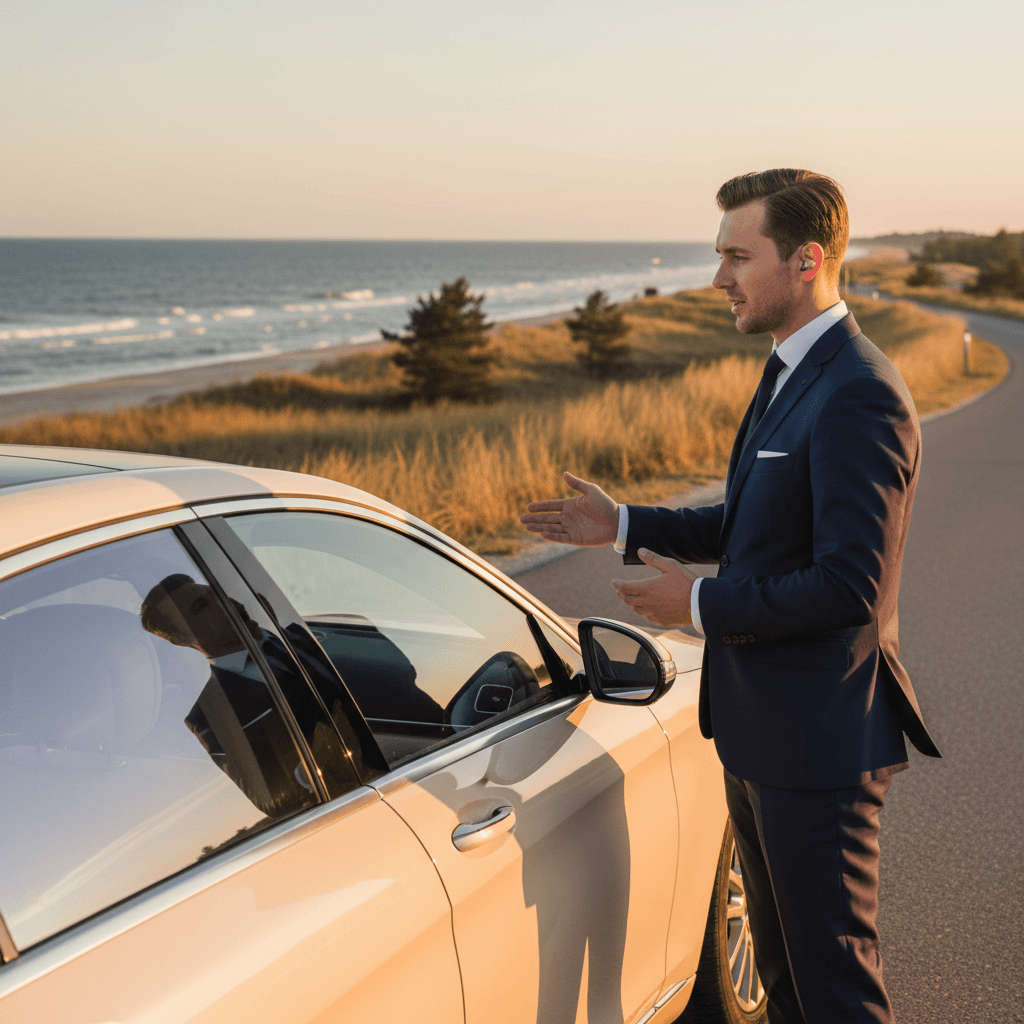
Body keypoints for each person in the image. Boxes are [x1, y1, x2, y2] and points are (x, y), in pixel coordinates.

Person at [521, 168, 940, 1023]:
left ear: (807, 259)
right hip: (758, 734)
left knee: (835, 995)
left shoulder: (859, 390)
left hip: (820, 747)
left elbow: (851, 586)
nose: (718, 279)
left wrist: (699, 609)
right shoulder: (788, 370)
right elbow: (751, 522)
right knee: (785, 984)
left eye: (737, 257)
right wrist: (623, 521)